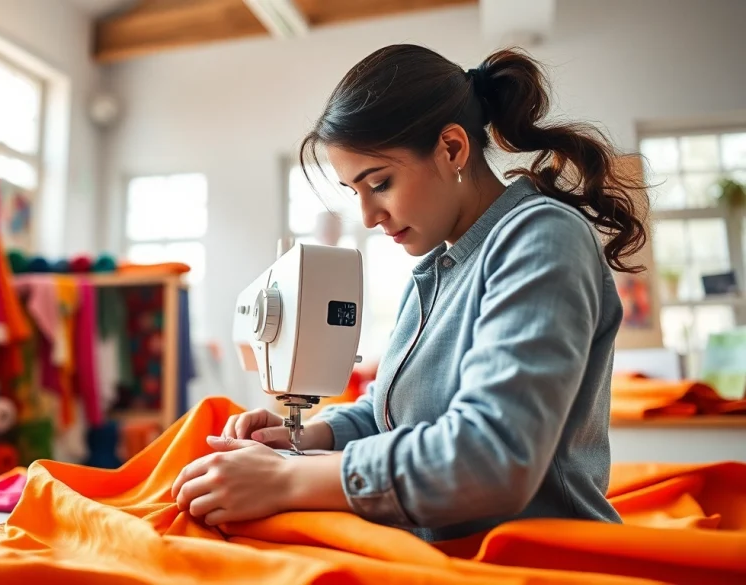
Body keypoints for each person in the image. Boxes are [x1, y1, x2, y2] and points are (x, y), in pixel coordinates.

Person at [171, 44, 647, 543]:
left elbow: (491, 457)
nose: (368, 216)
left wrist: (287, 478)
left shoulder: (541, 238)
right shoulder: (434, 274)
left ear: (453, 149)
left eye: (379, 183)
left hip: (539, 559)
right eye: (354, 192)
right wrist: (303, 436)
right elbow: (391, 410)